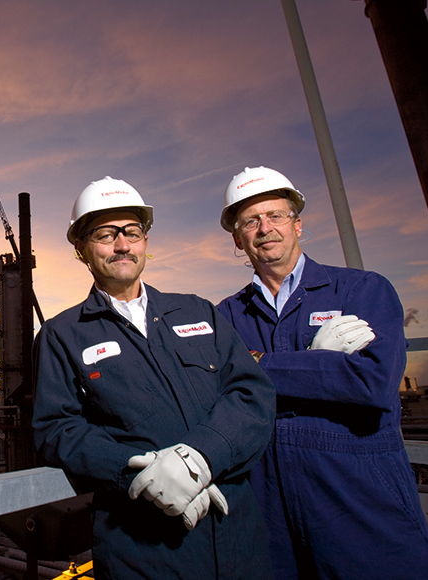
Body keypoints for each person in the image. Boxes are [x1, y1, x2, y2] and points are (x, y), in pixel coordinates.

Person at [33, 176, 276, 579]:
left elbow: (251, 392)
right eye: (105, 234)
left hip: (236, 534)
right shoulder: (63, 334)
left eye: (132, 231)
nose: (122, 245)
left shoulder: (198, 312)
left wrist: (200, 458)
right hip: (142, 546)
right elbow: (56, 429)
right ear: (81, 250)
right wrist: (138, 473)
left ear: (145, 241)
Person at [215, 166, 428, 579]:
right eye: (250, 221)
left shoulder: (362, 290)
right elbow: (215, 389)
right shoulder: (224, 316)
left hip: (358, 491)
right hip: (266, 499)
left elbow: (370, 383)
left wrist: (258, 364)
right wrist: (319, 364)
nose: (265, 228)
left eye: (276, 215)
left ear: (298, 225)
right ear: (237, 238)